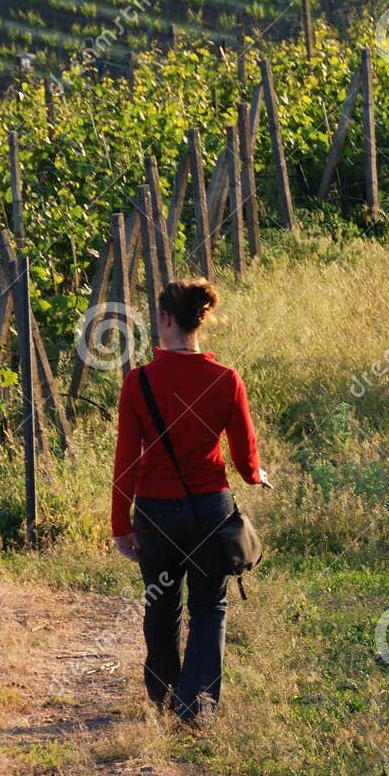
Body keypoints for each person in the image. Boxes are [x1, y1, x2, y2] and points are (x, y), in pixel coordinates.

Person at [110, 279, 270, 726]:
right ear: (199, 319)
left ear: (165, 319)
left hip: (156, 513)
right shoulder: (225, 380)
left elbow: (126, 459)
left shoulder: (138, 382)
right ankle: (196, 707)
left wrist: (119, 523)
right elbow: (244, 455)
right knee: (208, 606)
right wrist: (256, 477)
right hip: (209, 512)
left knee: (160, 604)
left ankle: (162, 699)